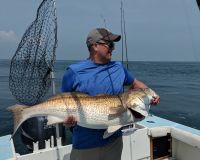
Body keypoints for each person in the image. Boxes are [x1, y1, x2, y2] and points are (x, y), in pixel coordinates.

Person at [61, 28, 160, 160]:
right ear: (95, 46)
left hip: (114, 142)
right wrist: (67, 122)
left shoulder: (118, 68)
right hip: (84, 145)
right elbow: (63, 103)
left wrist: (150, 93)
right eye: (110, 45)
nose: (113, 49)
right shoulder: (74, 72)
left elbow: (135, 84)